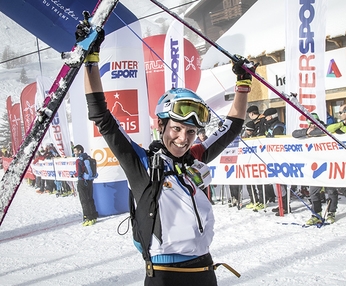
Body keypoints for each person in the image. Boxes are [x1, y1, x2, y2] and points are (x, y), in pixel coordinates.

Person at [80, 21, 253, 284]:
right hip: (165, 276)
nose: (183, 139)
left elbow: (231, 128)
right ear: (160, 124)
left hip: (205, 270)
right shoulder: (142, 163)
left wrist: (243, 84)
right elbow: (102, 116)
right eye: (177, 128)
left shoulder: (194, 158)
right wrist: (90, 60)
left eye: (191, 132)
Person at [292, 113, 339, 224]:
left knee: (331, 191)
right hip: (315, 167)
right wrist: (306, 132)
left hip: (327, 165)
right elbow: (295, 134)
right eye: (310, 123)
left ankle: (332, 212)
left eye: (314, 123)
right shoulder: (308, 130)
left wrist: (312, 132)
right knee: (313, 192)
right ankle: (316, 213)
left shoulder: (325, 128)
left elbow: (325, 131)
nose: (312, 125)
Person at [73, 144, 98, 226]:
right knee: (90, 198)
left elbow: (79, 172)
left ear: (80, 151)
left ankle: (88, 217)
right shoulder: (88, 158)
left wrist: (75, 175)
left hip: (82, 181)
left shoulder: (79, 160)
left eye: (75, 151)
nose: (74, 152)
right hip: (90, 180)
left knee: (84, 200)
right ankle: (94, 215)